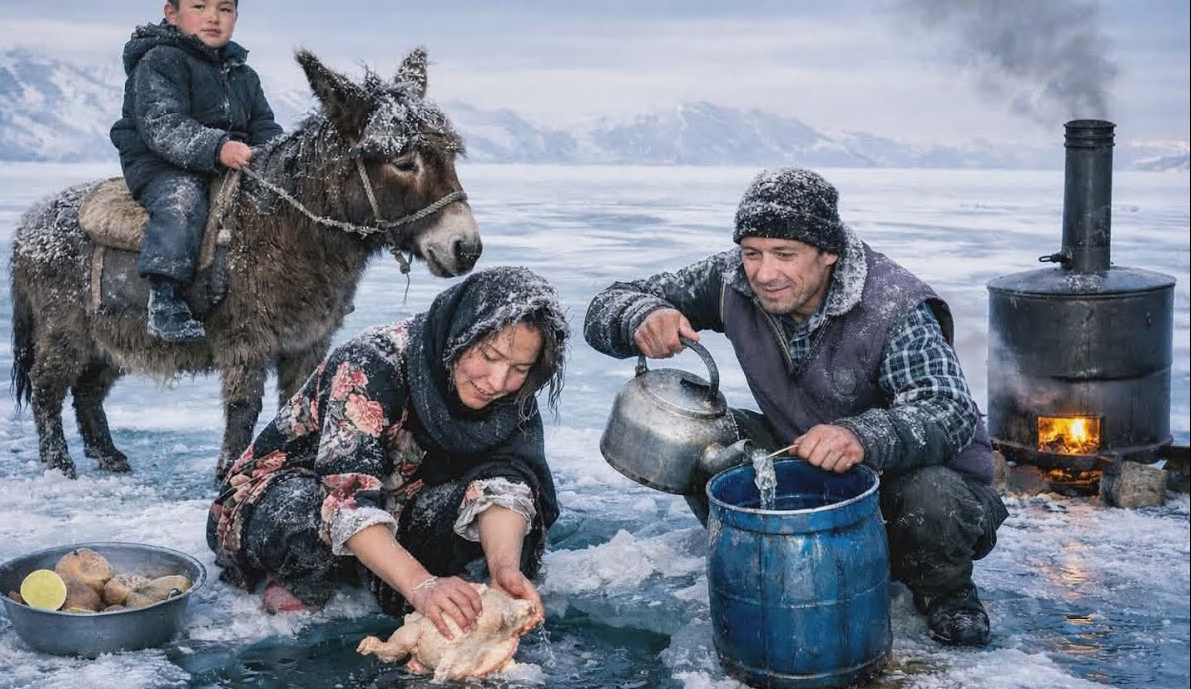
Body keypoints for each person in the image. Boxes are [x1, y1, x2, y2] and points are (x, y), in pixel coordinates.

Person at [583, 167, 1008, 647]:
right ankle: (761, 555)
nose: (764, 273)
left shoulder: (893, 305)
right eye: (752, 252)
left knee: (930, 497)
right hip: (807, 462)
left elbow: (948, 408)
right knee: (707, 438)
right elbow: (606, 304)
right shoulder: (731, 280)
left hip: (922, 489)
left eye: (785, 254)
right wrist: (641, 315)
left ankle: (947, 594)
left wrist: (860, 436)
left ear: (829, 253)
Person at [207, 266, 568, 641]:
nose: (497, 382)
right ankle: (301, 576)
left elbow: (505, 480)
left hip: (398, 500)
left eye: (519, 368)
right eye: (489, 356)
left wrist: (503, 566)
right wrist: (421, 585)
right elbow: (346, 500)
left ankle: (388, 572)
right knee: (302, 512)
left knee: (494, 516)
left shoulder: (512, 396)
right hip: (289, 495)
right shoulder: (371, 362)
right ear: (461, 333)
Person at [110, 0, 283, 343]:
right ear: (172, 13)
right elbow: (163, 125)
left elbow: (264, 125)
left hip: (227, 164)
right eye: (200, 7)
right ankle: (166, 298)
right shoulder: (160, 61)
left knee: (279, 204)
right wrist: (218, 148)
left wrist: (278, 158)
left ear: (236, 16)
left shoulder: (244, 75)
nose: (213, 17)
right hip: (161, 164)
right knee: (182, 203)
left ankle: (297, 285)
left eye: (224, 9)